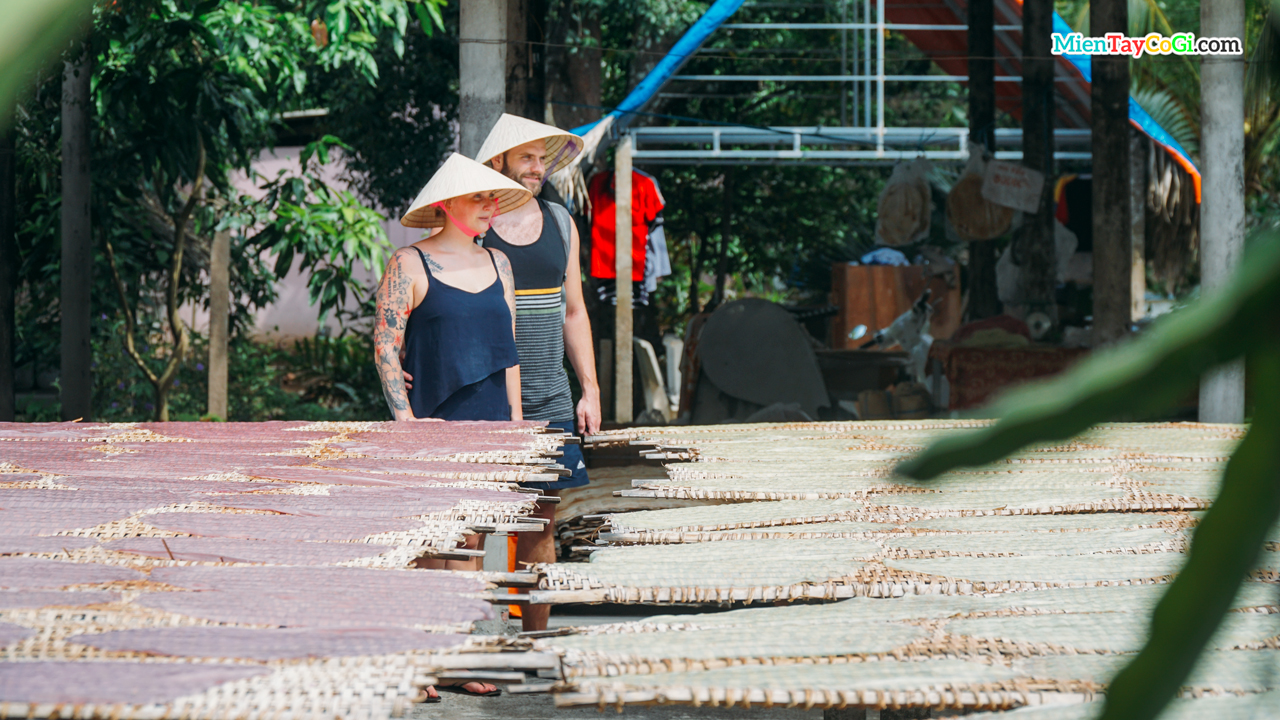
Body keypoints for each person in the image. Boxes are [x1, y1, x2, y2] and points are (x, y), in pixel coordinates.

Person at [374, 152, 531, 700]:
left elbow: (509, 351)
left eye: (493, 197)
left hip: (489, 422)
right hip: (428, 424)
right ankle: (414, 664)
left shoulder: (500, 265)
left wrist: (514, 422)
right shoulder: (408, 264)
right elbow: (386, 348)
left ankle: (457, 659)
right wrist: (405, 422)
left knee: (468, 545)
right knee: (425, 544)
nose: (490, 206)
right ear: (445, 205)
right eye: (478, 197)